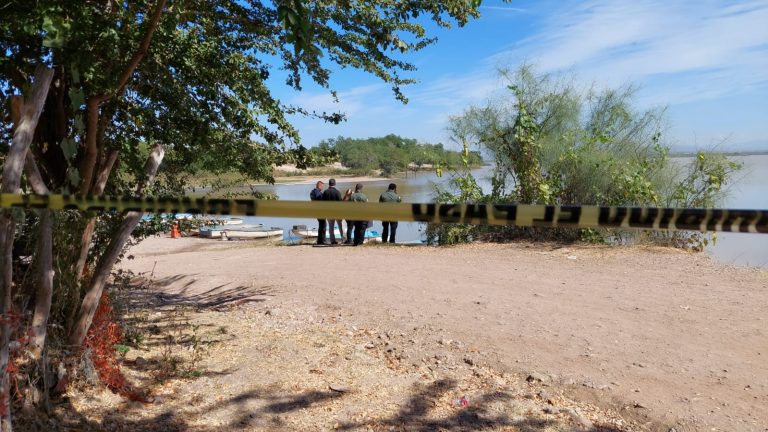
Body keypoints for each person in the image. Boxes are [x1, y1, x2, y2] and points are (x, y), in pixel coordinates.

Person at [322, 178, 343, 244]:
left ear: (329, 184)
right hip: (337, 212)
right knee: (340, 226)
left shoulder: (325, 192)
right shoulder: (337, 192)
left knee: (331, 227)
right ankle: (343, 239)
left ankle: (332, 240)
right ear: (335, 184)